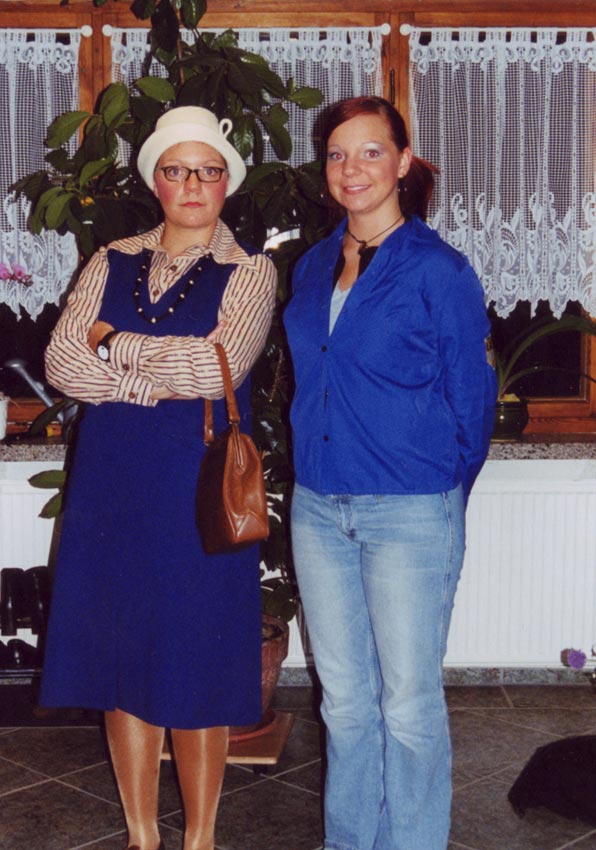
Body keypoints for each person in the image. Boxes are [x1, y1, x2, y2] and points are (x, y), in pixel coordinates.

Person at [40, 106, 277, 850]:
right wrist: (149, 378)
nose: (193, 185)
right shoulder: (110, 259)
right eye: (177, 170)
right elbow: (61, 362)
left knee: (198, 660)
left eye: (208, 171)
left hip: (197, 489)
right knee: (123, 660)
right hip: (111, 486)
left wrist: (113, 343)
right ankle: (142, 836)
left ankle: (200, 838)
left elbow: (215, 369)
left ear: (228, 181)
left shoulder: (250, 270)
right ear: (155, 180)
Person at [284, 96, 497, 850]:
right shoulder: (312, 266)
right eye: (338, 154)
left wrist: (434, 496)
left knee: (407, 707)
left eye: (371, 152)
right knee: (343, 702)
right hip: (317, 509)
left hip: (409, 511)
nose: (352, 169)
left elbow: (473, 406)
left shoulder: (440, 270)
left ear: (403, 162)